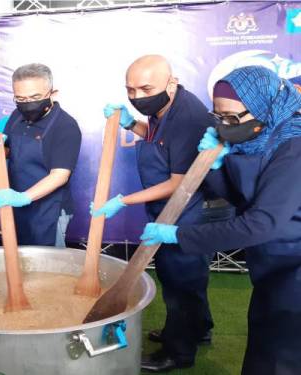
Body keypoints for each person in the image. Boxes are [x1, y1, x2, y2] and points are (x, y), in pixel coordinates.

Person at [141, 65, 301, 375]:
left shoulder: (294, 147)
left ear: (262, 106)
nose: (224, 125)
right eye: (218, 116)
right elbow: (238, 197)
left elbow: (261, 222)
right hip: (271, 262)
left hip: (295, 264)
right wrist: (215, 166)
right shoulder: (256, 136)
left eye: (231, 117)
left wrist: (180, 235)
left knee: (281, 354)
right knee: (264, 337)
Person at [92, 55, 213, 372]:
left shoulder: (188, 118)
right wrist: (131, 123)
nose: (137, 96)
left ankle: (179, 352)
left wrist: (123, 200)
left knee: (180, 281)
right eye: (130, 89)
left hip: (187, 210)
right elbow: (159, 140)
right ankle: (198, 329)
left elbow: (178, 183)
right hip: (172, 208)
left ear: (171, 82)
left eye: (146, 88)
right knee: (189, 279)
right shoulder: (165, 108)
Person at [0, 63, 82, 247]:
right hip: (17, 206)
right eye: (20, 98)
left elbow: (60, 175)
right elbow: (12, 152)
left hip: (49, 209)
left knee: (48, 268)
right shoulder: (16, 116)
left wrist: (23, 198)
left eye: (35, 97)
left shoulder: (65, 126)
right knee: (21, 261)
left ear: (53, 93)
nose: (28, 104)